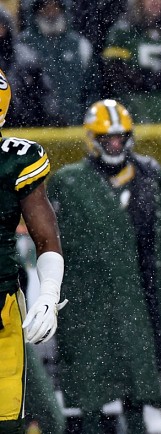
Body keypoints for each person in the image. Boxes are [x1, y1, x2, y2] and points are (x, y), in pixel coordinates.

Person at [47, 99, 161, 433]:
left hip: (139, 297)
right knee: (90, 391)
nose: (114, 144)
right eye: (107, 138)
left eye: (119, 137)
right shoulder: (69, 182)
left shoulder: (150, 176)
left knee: (139, 388)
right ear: (91, 139)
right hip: (90, 301)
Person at [0, 66, 66, 434]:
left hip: (3, 305)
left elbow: (46, 237)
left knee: (6, 421)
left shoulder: (16, 159)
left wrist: (49, 295)